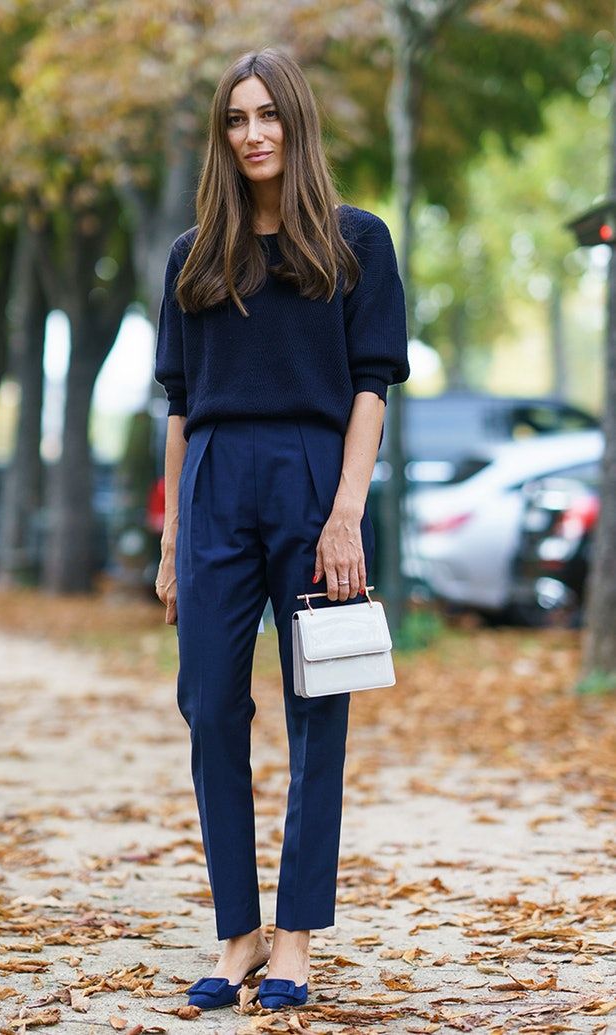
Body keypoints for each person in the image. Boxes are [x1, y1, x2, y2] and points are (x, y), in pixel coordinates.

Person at [154, 46, 409, 1012]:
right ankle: (239, 931)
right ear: (222, 136)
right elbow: (179, 405)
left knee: (319, 710)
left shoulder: (355, 244)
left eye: (268, 116)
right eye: (235, 119)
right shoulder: (194, 258)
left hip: (315, 483)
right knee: (210, 705)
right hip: (216, 482)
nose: (253, 133)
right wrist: (175, 536)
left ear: (296, 125)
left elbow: (371, 386)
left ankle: (296, 934)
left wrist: (346, 510)